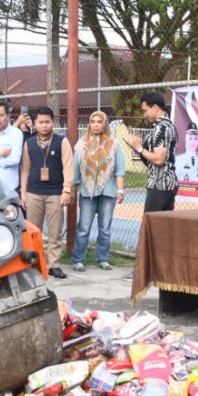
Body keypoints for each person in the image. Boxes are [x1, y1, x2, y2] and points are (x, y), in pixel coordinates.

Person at [19, 107, 73, 279]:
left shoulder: (62, 142)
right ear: (34, 124)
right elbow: (25, 170)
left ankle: (54, 265)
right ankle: (35, 263)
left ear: (53, 122)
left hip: (55, 194)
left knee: (55, 232)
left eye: (47, 122)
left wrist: (66, 190)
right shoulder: (29, 144)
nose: (44, 125)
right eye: (40, 122)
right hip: (33, 193)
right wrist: (23, 193)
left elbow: (68, 168)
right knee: (34, 232)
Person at [71, 110, 125, 273]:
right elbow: (75, 170)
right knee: (84, 227)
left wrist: (120, 190)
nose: (96, 124)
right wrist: (73, 189)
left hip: (108, 192)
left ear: (105, 124)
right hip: (87, 192)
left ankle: (103, 259)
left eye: (99, 121)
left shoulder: (114, 145)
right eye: (93, 121)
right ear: (89, 124)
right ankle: (78, 259)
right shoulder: (81, 145)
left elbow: (119, 170)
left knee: (105, 228)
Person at [129, 92, 179, 212]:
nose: (144, 114)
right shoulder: (165, 125)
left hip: (159, 185)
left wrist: (140, 149)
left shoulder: (162, 128)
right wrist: (141, 150)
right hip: (165, 184)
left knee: (151, 225)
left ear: (155, 108)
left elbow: (159, 159)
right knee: (162, 227)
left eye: (145, 110)